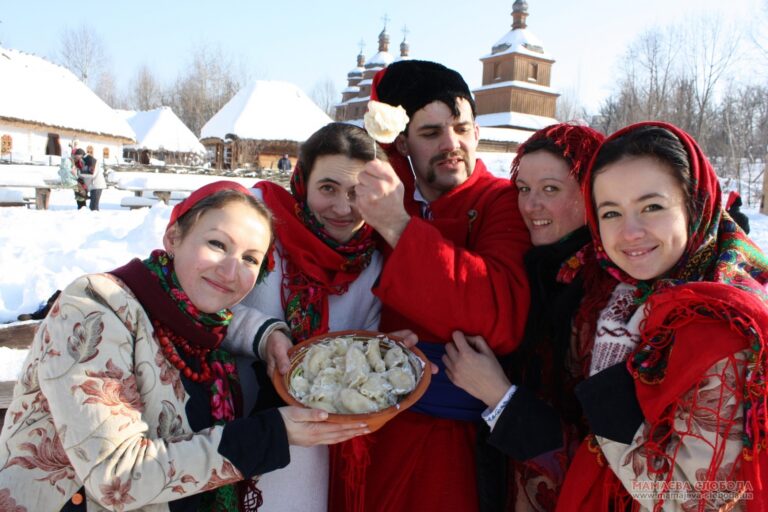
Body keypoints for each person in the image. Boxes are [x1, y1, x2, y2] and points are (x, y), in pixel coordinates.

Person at [0, 181, 368, 511]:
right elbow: (116, 477)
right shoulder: (94, 309)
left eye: (250, 259)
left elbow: (223, 320)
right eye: (216, 244)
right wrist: (274, 434)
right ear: (173, 237)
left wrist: (269, 334)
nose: (230, 270)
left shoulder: (202, 325)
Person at [336, 60, 532, 512]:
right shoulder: (380, 193)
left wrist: (401, 230)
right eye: (431, 134)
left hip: (454, 445)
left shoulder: (500, 203)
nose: (452, 145)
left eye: (462, 128)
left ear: (478, 132)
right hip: (366, 429)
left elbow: (500, 316)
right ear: (402, 142)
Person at [552, 122, 768, 511]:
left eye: (652, 206)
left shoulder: (723, 328)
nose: (630, 232)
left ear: (694, 205)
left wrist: (612, 415)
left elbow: (704, 502)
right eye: (612, 212)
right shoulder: (618, 298)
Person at [223, 123, 388, 512]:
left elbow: (366, 346)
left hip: (315, 444)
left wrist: (384, 352)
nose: (343, 208)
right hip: (234, 420)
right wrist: (264, 336)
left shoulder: (373, 260)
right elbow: (200, 303)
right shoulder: (259, 231)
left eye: (357, 192)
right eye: (328, 188)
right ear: (302, 180)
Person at [442, 123, 606, 511]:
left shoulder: (605, 299)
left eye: (551, 189)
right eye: (524, 189)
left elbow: (603, 463)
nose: (531, 206)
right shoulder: (539, 273)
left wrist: (501, 398)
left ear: (592, 192)